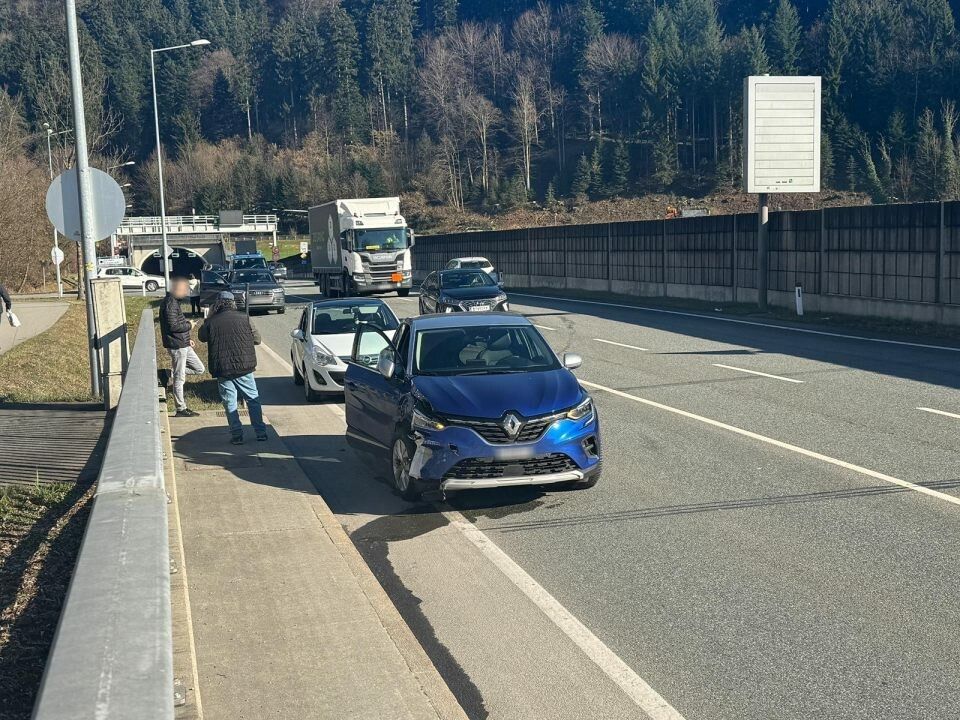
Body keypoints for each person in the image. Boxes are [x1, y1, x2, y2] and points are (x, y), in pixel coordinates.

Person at [199, 291, 267, 444]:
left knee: (230, 401)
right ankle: (260, 432)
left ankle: (237, 435)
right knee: (252, 399)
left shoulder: (211, 321)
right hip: (244, 366)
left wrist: (208, 317)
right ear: (233, 303)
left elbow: (202, 337)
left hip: (223, 368)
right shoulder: (245, 318)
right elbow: (257, 339)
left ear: (217, 304)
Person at [159, 277, 205, 418]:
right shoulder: (170, 304)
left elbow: (177, 322)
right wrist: (189, 326)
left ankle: (167, 373)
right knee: (180, 378)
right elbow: (173, 326)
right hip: (177, 345)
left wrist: (188, 338)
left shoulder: (174, 303)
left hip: (183, 342)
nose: (187, 292)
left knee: (199, 368)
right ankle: (180, 408)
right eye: (184, 289)